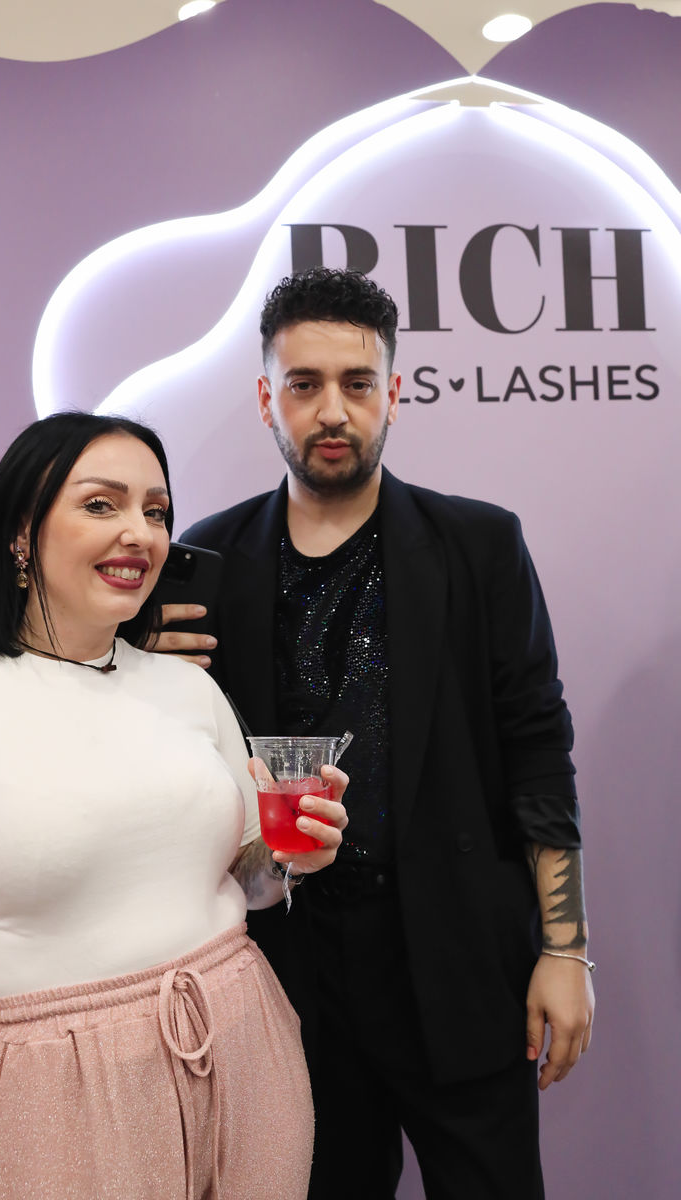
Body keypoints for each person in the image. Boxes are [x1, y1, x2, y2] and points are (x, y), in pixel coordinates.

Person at [157, 268, 596, 1200]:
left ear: (393, 393)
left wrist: (564, 950)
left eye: (357, 383)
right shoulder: (210, 561)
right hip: (288, 972)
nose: (333, 411)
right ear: (266, 399)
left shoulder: (479, 547)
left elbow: (537, 753)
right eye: (304, 384)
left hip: (459, 962)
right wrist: (149, 683)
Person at [0, 411, 348, 1200]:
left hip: (244, 1044)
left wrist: (295, 856)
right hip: (55, 1092)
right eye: (101, 504)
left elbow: (250, 880)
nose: (140, 533)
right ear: (21, 534)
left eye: (156, 511)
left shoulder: (188, 688)